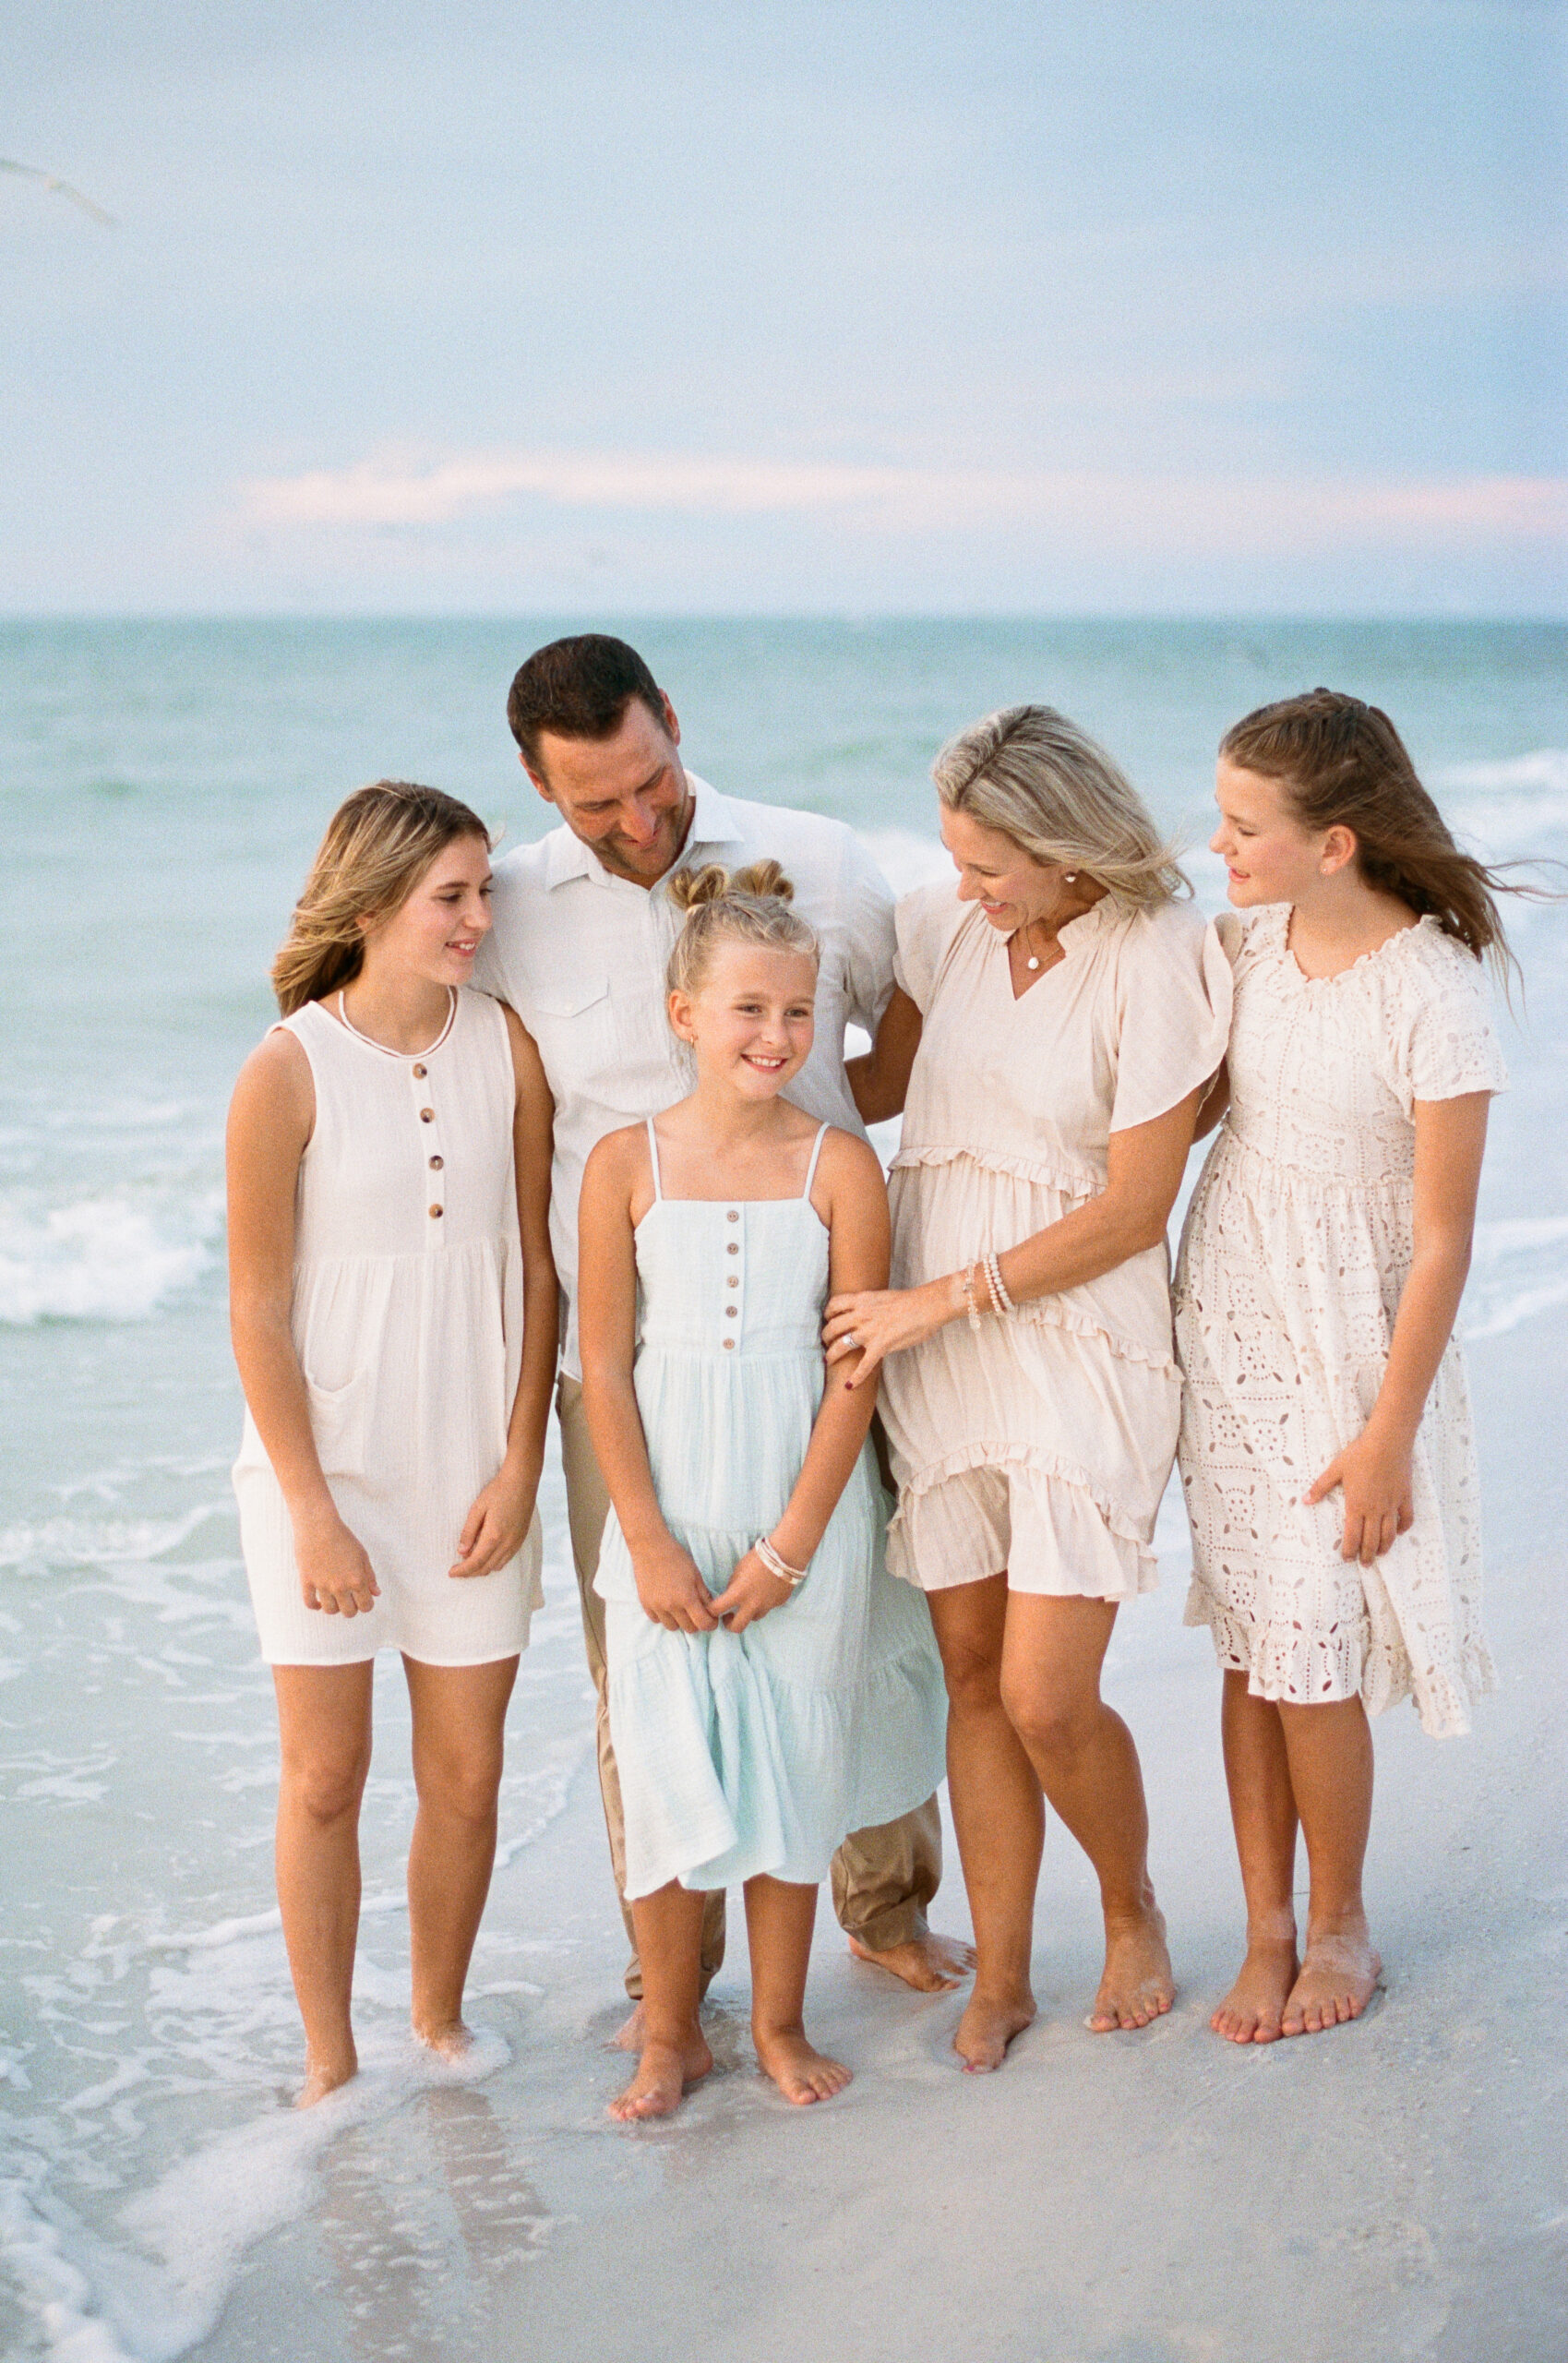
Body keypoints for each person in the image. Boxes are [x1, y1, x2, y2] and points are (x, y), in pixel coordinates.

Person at [473, 633, 971, 2029]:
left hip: (822, 1317)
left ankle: (884, 1910)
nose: (638, 823)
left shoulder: (821, 860)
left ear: (674, 724)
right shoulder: (511, 906)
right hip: (634, 1362)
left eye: (654, 780)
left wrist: (841, 1147)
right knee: (648, 1647)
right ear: (536, 784)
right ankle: (672, 1971)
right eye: (596, 805)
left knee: (861, 1623)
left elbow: (913, 1017)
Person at [827, 705, 1231, 2071]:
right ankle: (1000, 1969)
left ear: (1067, 851)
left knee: (1050, 1691)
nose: (965, 888)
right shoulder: (948, 929)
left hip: (1074, 1339)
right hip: (934, 1343)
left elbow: (1132, 1209)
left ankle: (1131, 1906)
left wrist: (935, 1301)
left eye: (991, 864)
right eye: (953, 858)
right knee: (969, 1675)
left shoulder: (1160, 952)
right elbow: (866, 1084)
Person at [578, 864, 948, 2118]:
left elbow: (854, 1376)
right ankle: (670, 2033)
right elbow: (605, 1375)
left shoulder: (838, 1165)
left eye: (799, 1015)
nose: (777, 1038)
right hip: (667, 1510)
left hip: (804, 1507)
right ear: (682, 1014)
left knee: (795, 1759)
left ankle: (782, 2025)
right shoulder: (624, 1165)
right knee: (669, 1762)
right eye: (747, 1010)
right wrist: (645, 1539)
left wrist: (796, 1541)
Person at [1174, 690, 1510, 2045]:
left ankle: (1341, 1924)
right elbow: (1179, 1112)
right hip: (1229, 1325)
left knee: (1314, 1646)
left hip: (1354, 1358)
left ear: (1338, 844)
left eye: (1245, 827)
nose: (1218, 846)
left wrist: (1387, 1434)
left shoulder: (1435, 991)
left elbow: (1440, 1244)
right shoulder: (1243, 948)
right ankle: (1265, 1927)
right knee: (1255, 1643)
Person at [227, 782, 558, 2105]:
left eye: (486, 891)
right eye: (453, 897)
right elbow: (255, 1304)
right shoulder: (285, 1067)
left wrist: (524, 1459)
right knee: (323, 1776)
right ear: (371, 910)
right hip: (325, 1473)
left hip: (474, 1463)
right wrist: (312, 1508)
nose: (482, 918)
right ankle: (328, 2053)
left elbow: (538, 1272)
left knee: (467, 1775)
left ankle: (437, 2019)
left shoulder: (511, 1047)